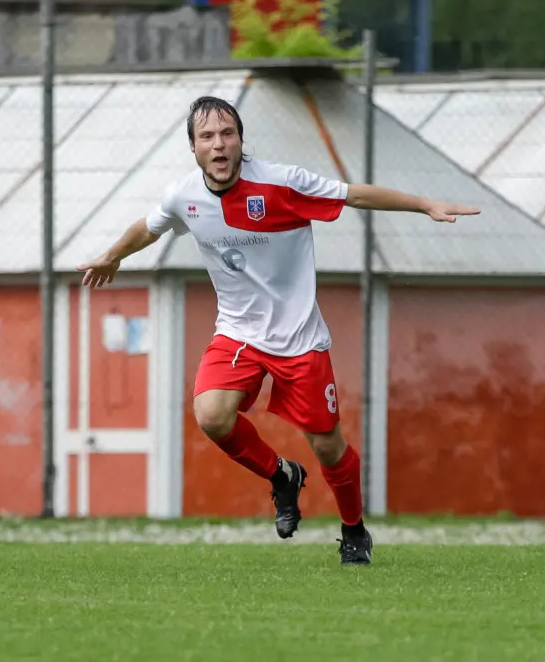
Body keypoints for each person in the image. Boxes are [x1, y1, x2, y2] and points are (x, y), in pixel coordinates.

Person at [76, 96, 480, 566]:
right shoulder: (184, 195)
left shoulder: (281, 182)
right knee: (211, 415)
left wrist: (424, 204)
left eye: (227, 133)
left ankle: (354, 530)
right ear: (193, 147)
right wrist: (113, 255)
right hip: (238, 333)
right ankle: (283, 477)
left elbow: (354, 194)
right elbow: (149, 227)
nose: (219, 144)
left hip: (299, 338)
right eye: (207, 137)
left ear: (241, 140)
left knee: (329, 447)